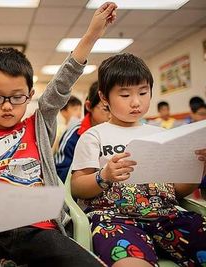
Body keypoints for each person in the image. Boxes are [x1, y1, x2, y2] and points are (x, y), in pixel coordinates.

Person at [0, 2, 118, 266]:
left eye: (17, 97)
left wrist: (91, 35)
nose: (7, 105)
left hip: (38, 229)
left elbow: (62, 83)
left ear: (30, 96)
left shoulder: (39, 126)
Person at [70, 53, 206, 267]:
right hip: (113, 219)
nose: (136, 102)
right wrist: (103, 176)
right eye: (125, 95)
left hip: (166, 216)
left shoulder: (162, 133)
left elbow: (177, 190)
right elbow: (77, 187)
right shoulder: (94, 136)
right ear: (104, 98)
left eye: (143, 93)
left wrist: (200, 165)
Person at [55, 81, 110, 182]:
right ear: (89, 106)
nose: (112, 115)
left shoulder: (114, 130)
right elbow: (60, 171)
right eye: (106, 109)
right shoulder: (75, 133)